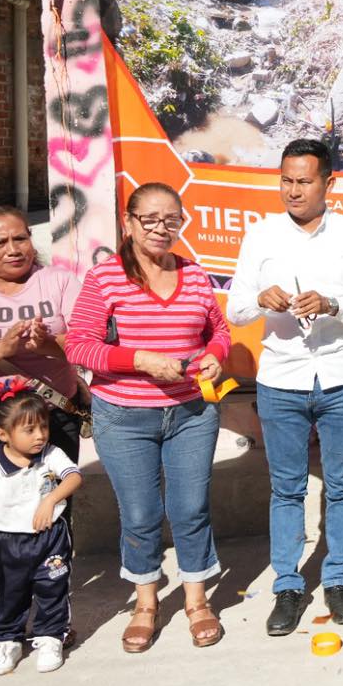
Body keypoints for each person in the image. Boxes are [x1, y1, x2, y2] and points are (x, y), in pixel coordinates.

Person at [66, 182, 231, 651]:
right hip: (124, 416)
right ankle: (146, 603)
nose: (162, 228)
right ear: (129, 223)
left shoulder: (195, 275)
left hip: (192, 413)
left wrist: (218, 353)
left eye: (172, 220)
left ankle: (197, 601)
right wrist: (139, 360)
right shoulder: (106, 278)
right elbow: (79, 345)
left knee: (190, 508)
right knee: (140, 515)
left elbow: (217, 329)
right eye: (150, 219)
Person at [227, 139, 343, 635]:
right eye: (286, 180)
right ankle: (288, 587)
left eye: (304, 181)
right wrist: (262, 299)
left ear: (328, 183)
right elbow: (236, 310)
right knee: (286, 489)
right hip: (281, 379)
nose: (293, 191)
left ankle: (337, 581)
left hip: (340, 376)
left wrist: (332, 304)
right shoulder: (261, 235)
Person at [0, 205, 84, 660]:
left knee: (54, 519)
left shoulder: (59, 281)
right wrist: (1, 349)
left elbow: (86, 341)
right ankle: (3, 618)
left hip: (51, 420)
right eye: (0, 242)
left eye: (21, 238)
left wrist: (47, 341)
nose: (14, 249)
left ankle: (51, 620)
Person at [0, 382, 80, 674]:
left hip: (51, 540)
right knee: (9, 593)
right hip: (10, 543)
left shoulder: (51, 454)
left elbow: (73, 477)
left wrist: (52, 499)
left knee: (52, 589)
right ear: (3, 434)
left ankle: (50, 637)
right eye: (29, 430)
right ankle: (7, 640)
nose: (40, 436)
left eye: (43, 427)